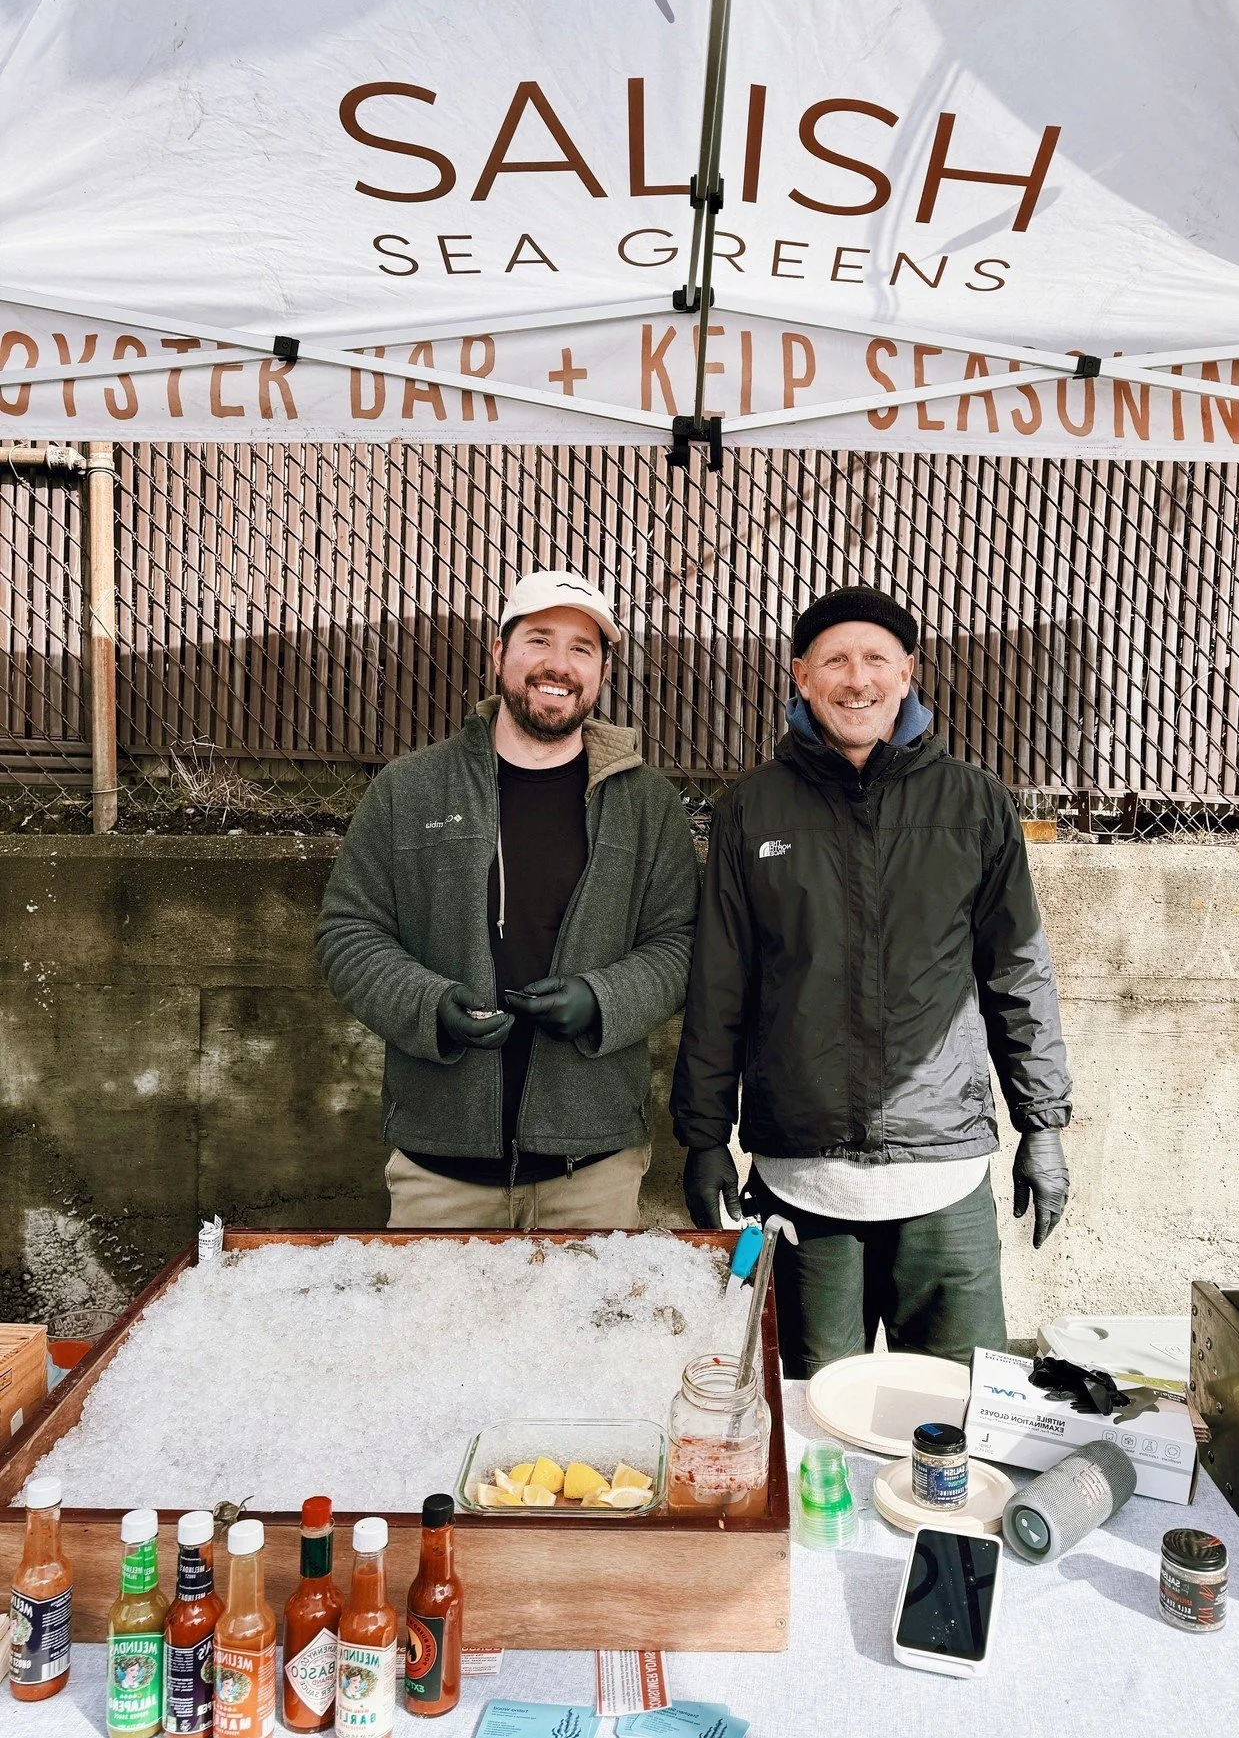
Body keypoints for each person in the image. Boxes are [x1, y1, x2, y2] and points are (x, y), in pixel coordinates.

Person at [671, 585, 1072, 1375]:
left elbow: (1017, 973)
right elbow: (719, 985)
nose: (856, 679)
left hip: (944, 1177)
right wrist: (702, 1136)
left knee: (956, 1414)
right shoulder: (751, 810)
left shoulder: (973, 805)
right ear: (800, 675)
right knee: (814, 1412)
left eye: (875, 659)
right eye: (835, 660)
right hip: (801, 1178)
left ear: (907, 672)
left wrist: (1044, 1125)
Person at [317, 569, 699, 1229]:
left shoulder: (646, 803)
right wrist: (428, 1005)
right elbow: (348, 932)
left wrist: (603, 999)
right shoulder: (410, 789)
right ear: (499, 653)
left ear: (603, 670)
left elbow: (680, 942)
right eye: (538, 640)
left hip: (594, 1170)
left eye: (582, 649)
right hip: (440, 1169)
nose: (558, 664)